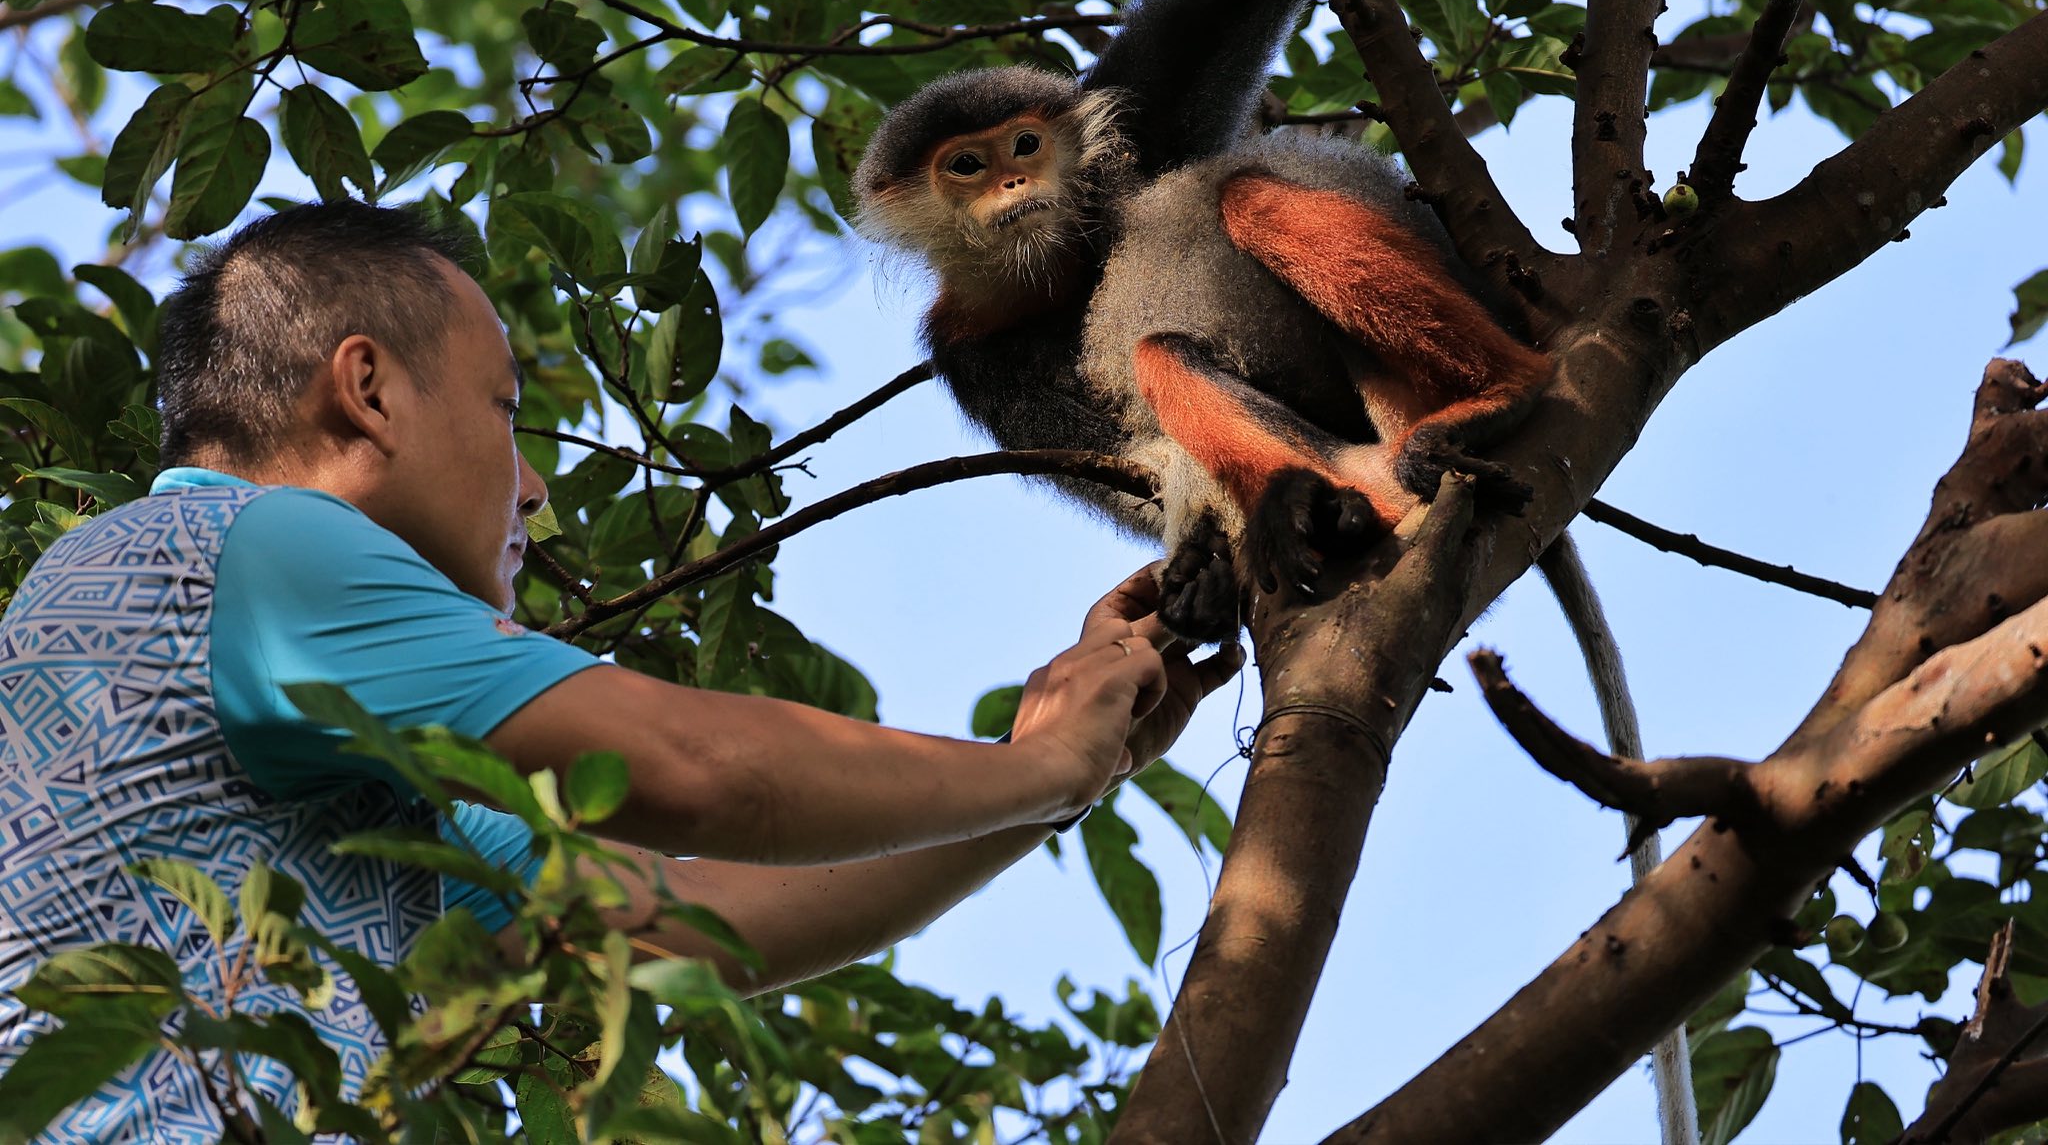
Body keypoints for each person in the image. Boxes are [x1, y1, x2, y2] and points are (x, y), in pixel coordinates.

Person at [0, 200, 1241, 1141]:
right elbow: (694, 772)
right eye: (503, 409)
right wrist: (1034, 767)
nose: (531, 481)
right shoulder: (259, 545)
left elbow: (693, 921)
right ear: (368, 390)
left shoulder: (345, 758)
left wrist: (1068, 767)